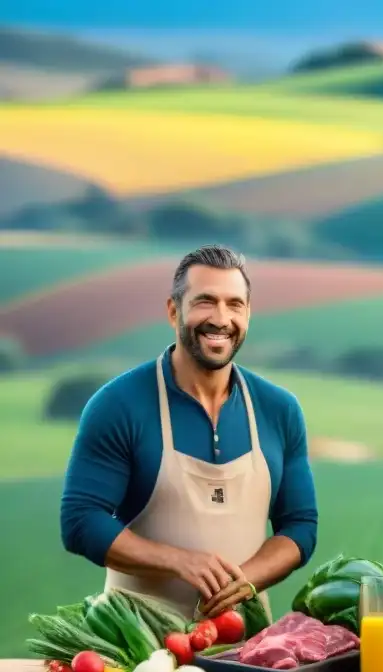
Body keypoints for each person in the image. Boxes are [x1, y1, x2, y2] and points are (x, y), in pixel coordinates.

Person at [60, 245, 318, 620]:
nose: (221, 318)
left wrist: (243, 581)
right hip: (137, 650)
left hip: (243, 648)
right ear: (173, 310)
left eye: (234, 304)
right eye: (205, 302)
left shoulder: (279, 409)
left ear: (247, 314)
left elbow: (300, 526)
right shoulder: (119, 404)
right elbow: (81, 521)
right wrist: (177, 561)